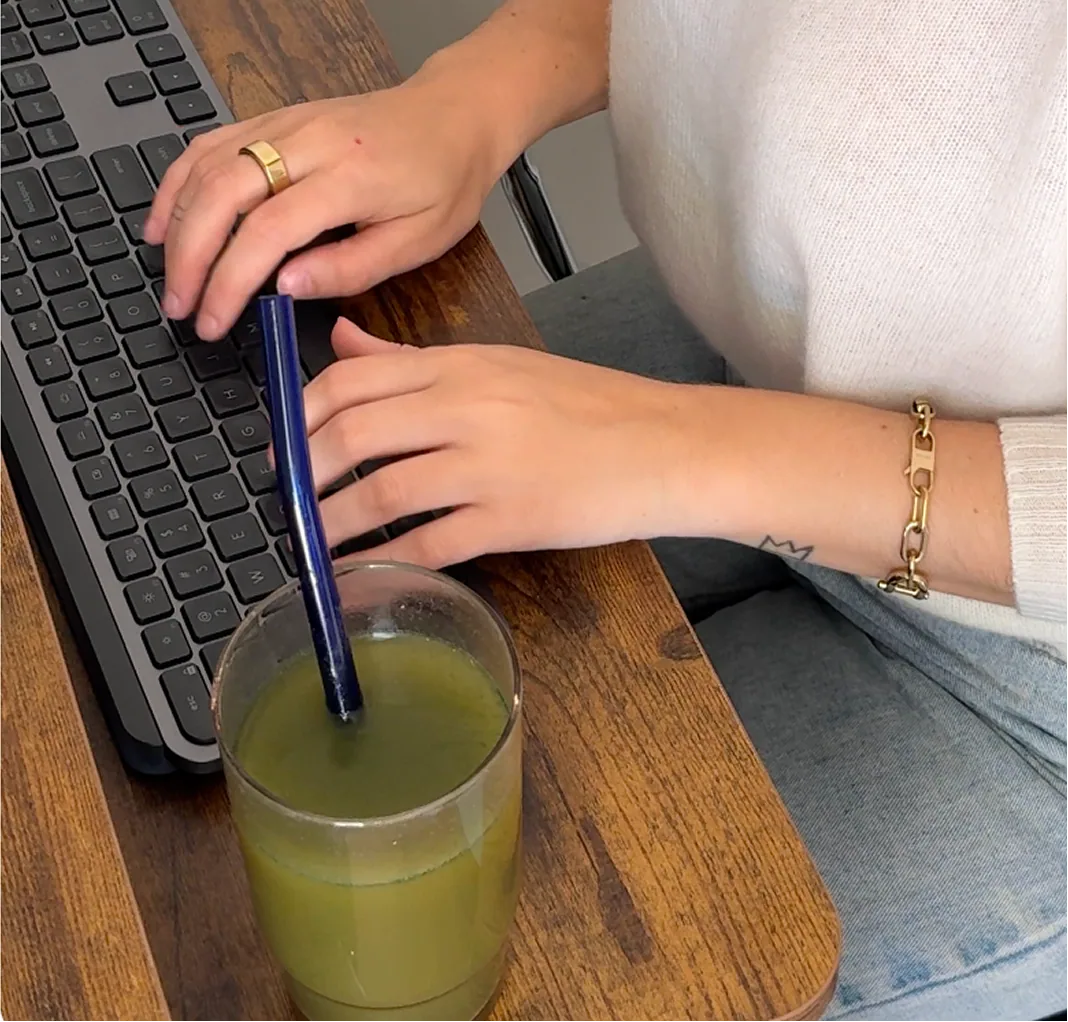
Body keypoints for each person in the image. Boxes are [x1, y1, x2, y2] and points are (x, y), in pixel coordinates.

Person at [144, 1, 1068, 1018]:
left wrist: (666, 448)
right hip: (749, 340)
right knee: (223, 561)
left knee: (501, 951)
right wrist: (476, 93)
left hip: (1024, 662)